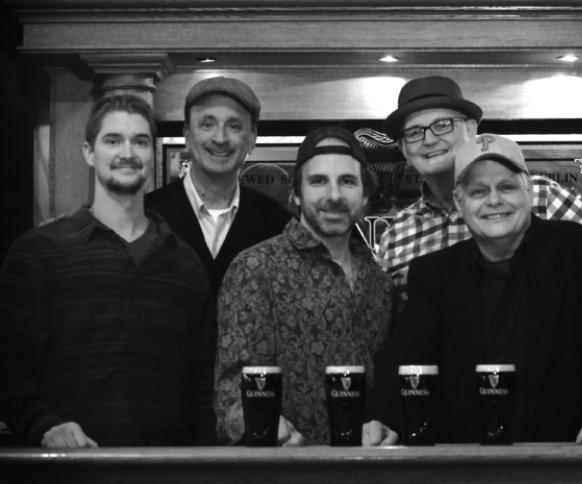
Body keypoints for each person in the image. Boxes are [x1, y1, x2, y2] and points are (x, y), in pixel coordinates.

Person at [364, 134, 582, 445]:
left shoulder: (577, 249)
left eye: (506, 187)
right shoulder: (434, 273)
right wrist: (383, 419)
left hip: (558, 453)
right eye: (478, 191)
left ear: (528, 190)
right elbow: (407, 354)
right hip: (466, 458)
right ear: (459, 202)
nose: (494, 200)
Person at [0, 95, 216, 447]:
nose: (127, 153)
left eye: (140, 142)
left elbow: (204, 387)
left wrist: (205, 464)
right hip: (70, 466)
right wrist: (44, 425)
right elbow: (8, 365)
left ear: (152, 153)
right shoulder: (38, 253)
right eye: (113, 140)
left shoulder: (186, 264)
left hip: (170, 467)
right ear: (89, 152)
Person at [378, 75, 582, 307]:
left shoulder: (539, 197)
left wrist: (576, 327)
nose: (428, 139)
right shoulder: (397, 234)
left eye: (442, 125)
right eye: (414, 132)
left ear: (471, 129)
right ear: (403, 149)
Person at [214, 126, 393, 446]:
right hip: (285, 466)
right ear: (296, 193)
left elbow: (383, 387)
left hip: (363, 465)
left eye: (347, 181)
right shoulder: (257, 267)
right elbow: (230, 393)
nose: (334, 195)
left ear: (365, 195)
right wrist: (260, 424)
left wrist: (385, 427)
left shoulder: (378, 280)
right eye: (318, 181)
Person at [146, 76, 292, 292]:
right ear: (187, 134)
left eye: (234, 126)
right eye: (207, 124)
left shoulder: (278, 224)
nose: (220, 138)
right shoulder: (146, 216)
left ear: (252, 138)